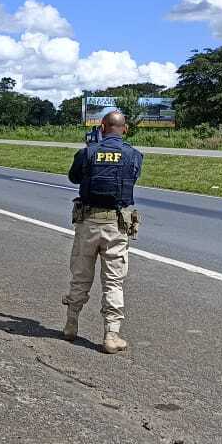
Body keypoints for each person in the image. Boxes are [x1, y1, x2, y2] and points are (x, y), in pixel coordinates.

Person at [62, 110, 142, 353]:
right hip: (116, 226)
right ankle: (111, 335)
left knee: (80, 275)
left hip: (88, 223)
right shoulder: (133, 155)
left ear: (102, 127)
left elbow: (73, 177)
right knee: (113, 282)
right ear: (124, 129)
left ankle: (70, 325)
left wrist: (91, 147)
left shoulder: (88, 152)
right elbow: (133, 177)